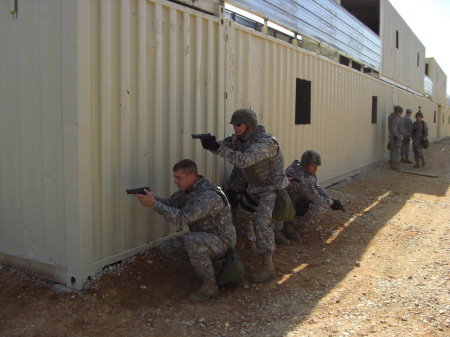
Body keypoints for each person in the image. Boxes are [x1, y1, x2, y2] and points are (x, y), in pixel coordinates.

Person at [200, 109, 288, 283]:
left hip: (271, 188)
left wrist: (218, 149)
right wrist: (212, 145)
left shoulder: (266, 143)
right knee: (242, 216)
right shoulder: (240, 139)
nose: (235, 128)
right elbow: (224, 146)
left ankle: (268, 265)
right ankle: (250, 246)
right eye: (233, 124)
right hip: (254, 188)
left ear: (250, 125)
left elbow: (243, 160)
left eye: (238, 124)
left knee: (262, 221)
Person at [133, 159, 236, 302]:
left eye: (178, 178)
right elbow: (173, 203)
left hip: (222, 241)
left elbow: (182, 219)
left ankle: (210, 285)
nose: (175, 181)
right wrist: (154, 198)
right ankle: (210, 264)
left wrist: (154, 205)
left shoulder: (207, 196)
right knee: (168, 247)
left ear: (191, 177)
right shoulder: (188, 190)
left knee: (191, 241)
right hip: (206, 238)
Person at [275, 150, 345, 240]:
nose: (316, 169)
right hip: (285, 204)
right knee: (316, 207)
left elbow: (316, 187)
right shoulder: (300, 176)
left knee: (312, 204)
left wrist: (330, 198)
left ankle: (289, 224)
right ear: (306, 163)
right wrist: (331, 203)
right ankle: (288, 225)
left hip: (294, 201)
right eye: (313, 166)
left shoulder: (304, 169)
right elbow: (314, 196)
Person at [388, 105, 405, 170]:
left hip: (393, 137)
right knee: (396, 151)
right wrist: (396, 135)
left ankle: (392, 164)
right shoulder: (397, 118)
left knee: (392, 150)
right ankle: (395, 165)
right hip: (397, 137)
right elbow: (394, 128)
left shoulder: (391, 117)